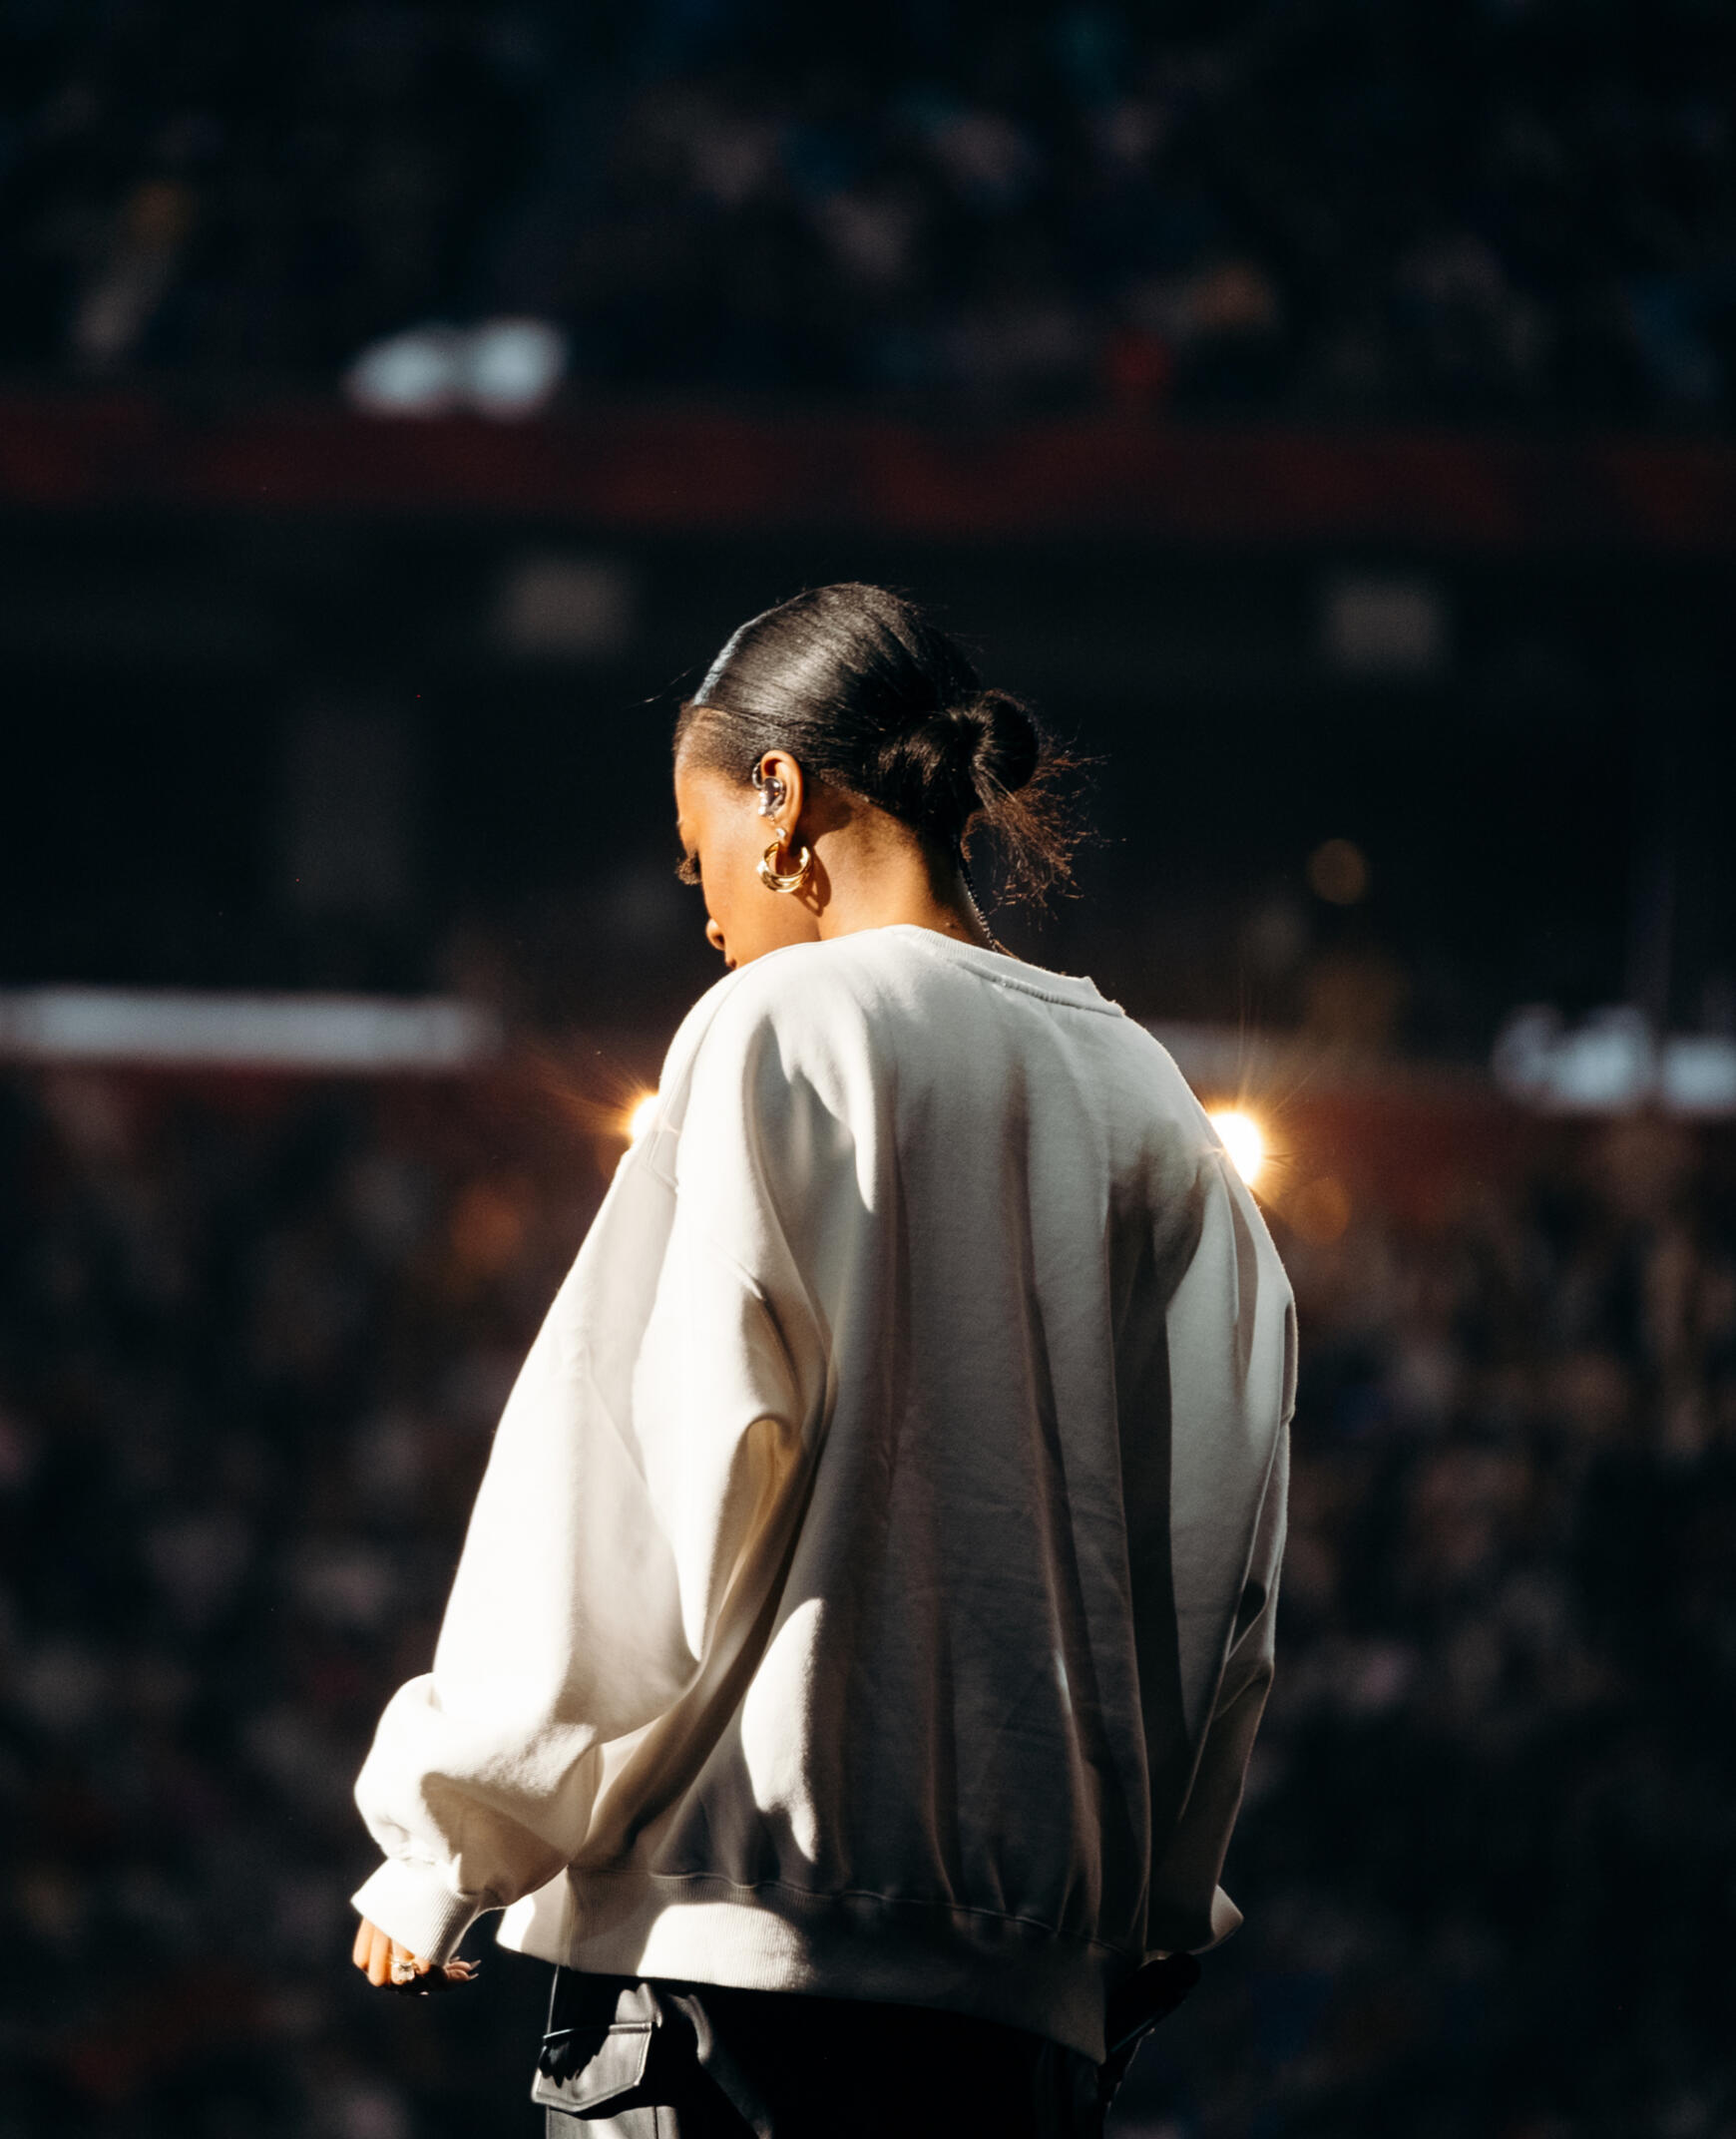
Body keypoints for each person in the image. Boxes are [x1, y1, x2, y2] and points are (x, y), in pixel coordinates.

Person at [348, 584, 1294, 2136]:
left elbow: (642, 1495)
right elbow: (1217, 1591)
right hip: (1025, 2025)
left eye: (696, 844)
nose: (703, 905)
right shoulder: (1155, 1103)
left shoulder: (774, 1029)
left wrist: (458, 1832)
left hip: (732, 1989)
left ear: (780, 795)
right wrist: (1138, 1922)